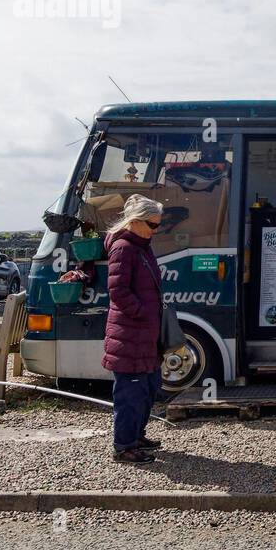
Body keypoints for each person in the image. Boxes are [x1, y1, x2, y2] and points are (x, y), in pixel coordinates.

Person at [102, 194, 165, 464]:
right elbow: (118, 290)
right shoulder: (124, 248)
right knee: (130, 392)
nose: (156, 230)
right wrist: (142, 313)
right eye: (153, 225)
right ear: (136, 222)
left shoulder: (141, 246)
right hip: (130, 333)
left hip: (143, 333)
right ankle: (124, 446)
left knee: (148, 388)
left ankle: (136, 436)